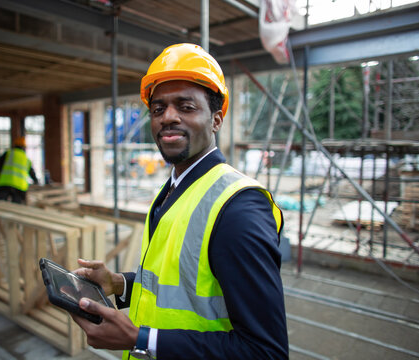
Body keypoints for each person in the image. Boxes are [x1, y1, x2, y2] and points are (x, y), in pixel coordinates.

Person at [72, 43, 288, 359]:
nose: (168, 117)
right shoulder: (174, 189)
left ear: (216, 120)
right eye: (158, 109)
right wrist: (119, 284)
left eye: (186, 107)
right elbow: (180, 293)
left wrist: (141, 338)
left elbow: (265, 351)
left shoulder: (238, 208)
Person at [0, 136, 38, 204]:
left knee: (0, 204)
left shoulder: (8, 153)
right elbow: (31, 172)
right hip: (19, 186)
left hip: (5, 183)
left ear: (15, 145)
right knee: (16, 206)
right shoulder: (26, 159)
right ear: (24, 147)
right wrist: (36, 181)